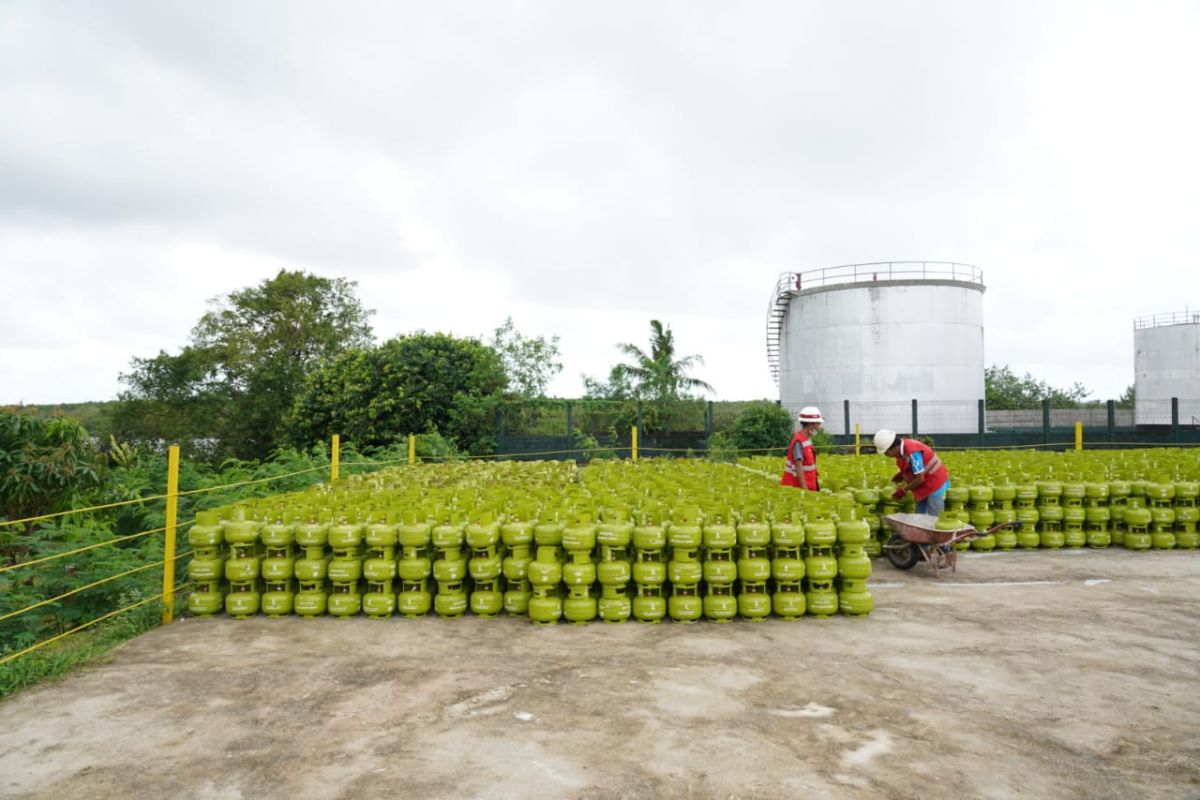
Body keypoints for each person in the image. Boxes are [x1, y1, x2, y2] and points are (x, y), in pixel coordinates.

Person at [873, 429, 950, 516]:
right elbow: (911, 466)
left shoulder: (912, 452)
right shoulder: (902, 450)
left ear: (893, 448)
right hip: (924, 483)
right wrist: (901, 475)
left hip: (935, 481)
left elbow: (920, 479)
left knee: (935, 516)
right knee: (919, 516)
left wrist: (903, 490)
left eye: (886, 452)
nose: (886, 455)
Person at [781, 406, 823, 490]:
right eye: (818, 423)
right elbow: (798, 466)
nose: (819, 427)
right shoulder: (799, 441)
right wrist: (805, 489)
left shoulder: (806, 439)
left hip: (808, 484)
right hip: (797, 488)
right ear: (811, 425)